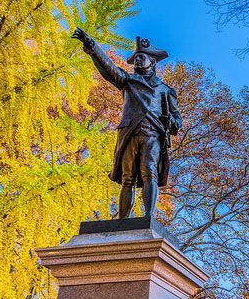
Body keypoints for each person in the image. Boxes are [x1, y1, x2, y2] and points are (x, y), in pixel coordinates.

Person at [72, 28, 181, 219]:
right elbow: (109, 68)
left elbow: (176, 120)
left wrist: (172, 122)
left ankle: (148, 217)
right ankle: (122, 220)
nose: (137, 60)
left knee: (150, 172)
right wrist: (92, 46)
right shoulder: (128, 80)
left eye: (141, 57)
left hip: (152, 135)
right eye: (135, 57)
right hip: (129, 132)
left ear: (152, 62)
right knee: (127, 178)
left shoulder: (165, 89)